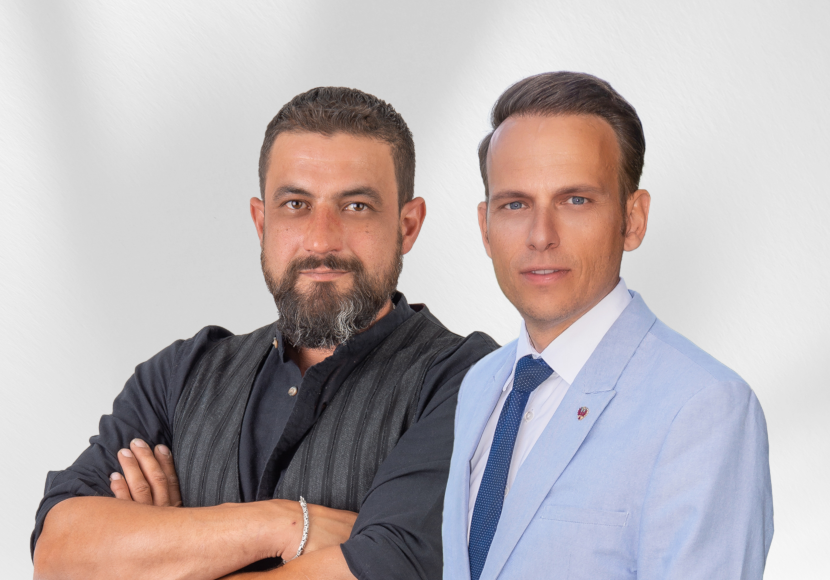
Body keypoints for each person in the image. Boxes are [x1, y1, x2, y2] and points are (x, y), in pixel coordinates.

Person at [32, 86, 497, 580]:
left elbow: (392, 570)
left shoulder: (469, 380)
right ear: (261, 222)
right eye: (296, 204)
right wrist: (286, 524)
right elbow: (58, 556)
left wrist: (159, 554)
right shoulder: (180, 376)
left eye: (356, 206)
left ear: (408, 225)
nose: (321, 239)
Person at [441, 72, 773, 580]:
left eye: (575, 200)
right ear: (485, 227)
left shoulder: (702, 409)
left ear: (632, 219)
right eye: (515, 204)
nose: (540, 235)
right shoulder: (479, 386)